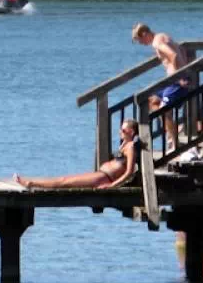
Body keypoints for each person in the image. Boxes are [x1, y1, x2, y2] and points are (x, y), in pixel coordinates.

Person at [14, 119, 142, 189]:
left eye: (123, 130)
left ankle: (30, 183)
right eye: (120, 128)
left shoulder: (130, 147)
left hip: (104, 178)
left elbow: (129, 172)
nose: (120, 131)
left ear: (131, 132)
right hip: (100, 175)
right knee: (65, 179)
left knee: (64, 181)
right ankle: (31, 181)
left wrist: (112, 186)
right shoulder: (125, 144)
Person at [132, 22, 191, 146]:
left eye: (140, 40)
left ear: (144, 34)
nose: (141, 44)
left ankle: (175, 142)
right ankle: (171, 134)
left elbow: (173, 55)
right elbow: (182, 50)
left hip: (176, 81)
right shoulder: (163, 36)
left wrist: (178, 76)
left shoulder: (157, 42)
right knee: (152, 100)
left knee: (164, 111)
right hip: (174, 80)